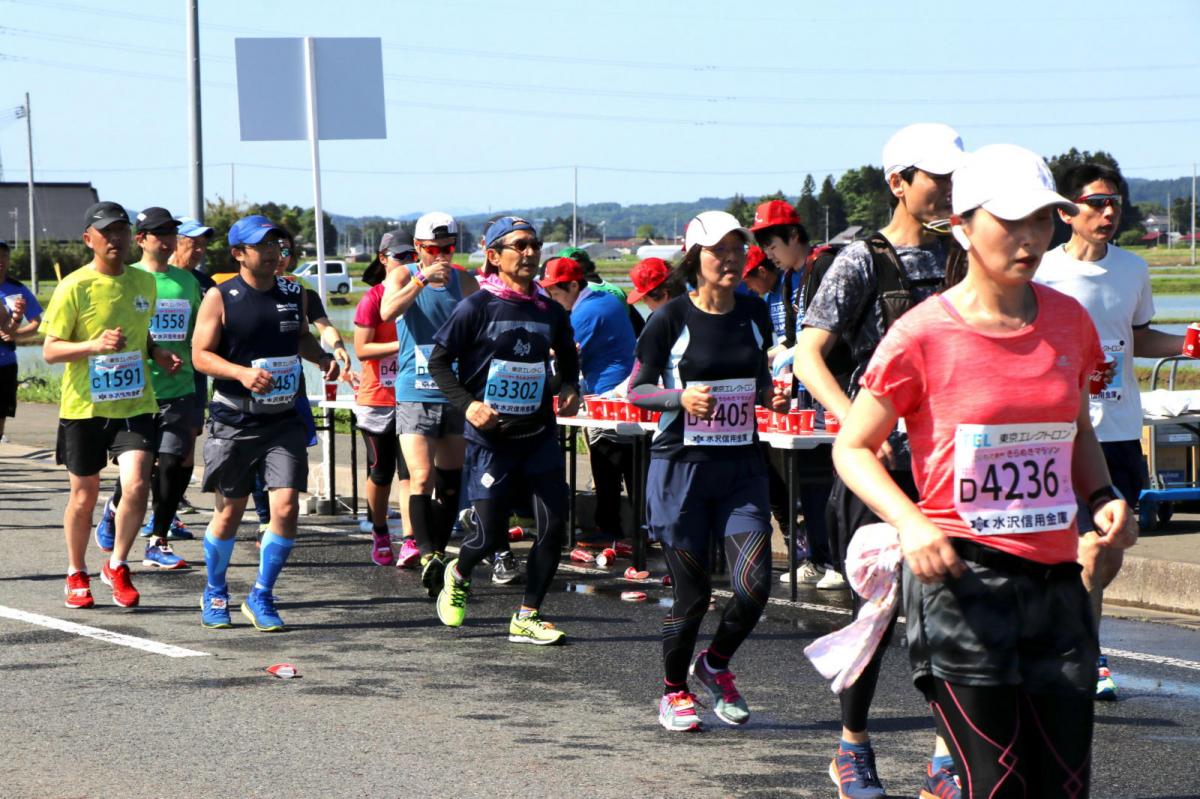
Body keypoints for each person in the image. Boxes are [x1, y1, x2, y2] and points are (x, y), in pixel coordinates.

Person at [832, 143, 1137, 797]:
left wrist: (1104, 493)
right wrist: (911, 523)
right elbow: (852, 447)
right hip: (962, 585)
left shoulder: (1069, 321)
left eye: (1042, 220)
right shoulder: (921, 335)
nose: (1029, 238)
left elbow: (1076, 428)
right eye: (1010, 221)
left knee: (1063, 784)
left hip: (1058, 584)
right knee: (994, 785)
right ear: (964, 226)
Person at [794, 122, 965, 797]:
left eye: (955, 176)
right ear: (899, 182)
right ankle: (852, 745)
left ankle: (946, 756)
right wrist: (854, 422)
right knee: (879, 609)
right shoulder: (862, 259)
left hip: (951, 464)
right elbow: (808, 356)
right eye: (936, 177)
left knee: (953, 608)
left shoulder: (962, 254)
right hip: (881, 468)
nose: (948, 188)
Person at [627, 211, 788, 732]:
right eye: (721, 251)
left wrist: (772, 395)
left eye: (740, 250)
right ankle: (674, 692)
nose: (734, 260)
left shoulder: (754, 311)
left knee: (754, 586)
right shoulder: (669, 318)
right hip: (682, 471)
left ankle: (714, 663)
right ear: (695, 257)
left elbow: (759, 376)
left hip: (742, 467)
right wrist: (679, 397)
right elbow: (637, 390)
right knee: (692, 596)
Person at [1035, 161, 1181, 702]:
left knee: (1115, 545)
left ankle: (1067, 625)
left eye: (1115, 201)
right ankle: (1088, 653)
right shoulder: (1043, 272)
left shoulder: (1133, 270)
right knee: (1089, 549)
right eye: (1097, 202)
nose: (1108, 211)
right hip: (1064, 433)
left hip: (1120, 430)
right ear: (1068, 210)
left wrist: (1189, 345)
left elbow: (1136, 336)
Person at [428, 216, 579, 644]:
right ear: (494, 256)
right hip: (492, 442)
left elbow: (567, 354)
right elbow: (438, 362)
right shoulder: (476, 307)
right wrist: (469, 404)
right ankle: (458, 571)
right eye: (520, 245)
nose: (531, 252)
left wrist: (570, 386)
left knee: (552, 529)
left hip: (539, 438)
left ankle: (527, 615)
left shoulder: (549, 309)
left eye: (535, 244)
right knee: (490, 535)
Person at [192, 214, 339, 631]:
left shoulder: (294, 293)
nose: (274, 251)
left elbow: (301, 338)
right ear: (240, 253)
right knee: (229, 512)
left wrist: (323, 360)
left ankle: (262, 594)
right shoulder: (221, 297)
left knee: (287, 506)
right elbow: (200, 355)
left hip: (283, 418)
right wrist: (240, 373)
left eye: (277, 244)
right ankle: (216, 589)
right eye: (263, 245)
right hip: (234, 419)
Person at [42, 201, 181, 609]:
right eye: (107, 232)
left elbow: (142, 337)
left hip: (135, 404)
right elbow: (50, 351)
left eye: (121, 230)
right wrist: (93, 345)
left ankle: (118, 564)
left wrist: (156, 353)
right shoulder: (74, 285)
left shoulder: (144, 283)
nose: (116, 238)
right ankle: (76, 571)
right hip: (84, 408)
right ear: (89, 240)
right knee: (84, 496)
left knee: (137, 482)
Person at [98, 207, 201, 570]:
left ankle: (158, 540)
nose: (168, 240)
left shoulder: (187, 281)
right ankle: (114, 508)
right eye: (160, 233)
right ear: (141, 239)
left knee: (173, 461)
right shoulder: (128, 278)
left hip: (181, 386)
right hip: (136, 392)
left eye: (172, 233)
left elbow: (197, 334)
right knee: (139, 472)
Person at [380, 212, 478, 590]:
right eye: (433, 250)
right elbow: (388, 311)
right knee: (421, 475)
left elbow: (483, 323)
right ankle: (423, 551)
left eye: (448, 249)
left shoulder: (465, 281)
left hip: (454, 391)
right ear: (419, 249)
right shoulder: (403, 275)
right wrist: (421, 279)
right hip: (414, 392)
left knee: (451, 480)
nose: (442, 257)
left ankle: (437, 553)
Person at [748, 201, 843, 590]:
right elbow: (789, 337)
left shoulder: (823, 266)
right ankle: (818, 558)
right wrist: (770, 358)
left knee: (836, 477)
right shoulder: (789, 278)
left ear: (792, 235)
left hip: (834, 383)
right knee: (809, 478)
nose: (769, 254)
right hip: (805, 388)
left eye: (772, 244)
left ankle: (839, 560)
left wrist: (795, 352)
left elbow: (834, 330)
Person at [248, 228, 354, 544]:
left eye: (284, 251)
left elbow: (322, 325)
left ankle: (279, 513)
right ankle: (265, 517)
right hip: (251, 387)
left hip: (289, 388)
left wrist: (335, 349)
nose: (277, 258)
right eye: (270, 249)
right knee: (255, 457)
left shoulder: (300, 291)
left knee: (287, 454)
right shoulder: (242, 289)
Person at [540, 256, 637, 549]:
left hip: (609, 394)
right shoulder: (602, 299)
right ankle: (635, 529)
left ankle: (611, 530)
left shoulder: (587, 311)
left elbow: (558, 354)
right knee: (629, 466)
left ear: (572, 285)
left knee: (607, 462)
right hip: (616, 389)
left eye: (555, 292)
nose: (552, 298)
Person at [353, 231, 416, 565]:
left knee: (411, 473)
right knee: (382, 471)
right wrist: (402, 347)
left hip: (413, 396)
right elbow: (362, 349)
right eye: (399, 257)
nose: (406, 264)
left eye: (411, 257)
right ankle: (379, 530)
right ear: (383, 258)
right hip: (377, 397)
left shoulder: (421, 295)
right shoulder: (373, 299)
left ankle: (409, 538)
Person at [170, 217, 216, 516]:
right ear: (174, 242)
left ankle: (173, 498)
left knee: (189, 438)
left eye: (203, 244)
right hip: (159, 374)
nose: (198, 250)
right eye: (192, 243)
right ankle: (161, 504)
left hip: (194, 374)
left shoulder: (206, 285)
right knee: (163, 446)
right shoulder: (153, 277)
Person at [0, 237, 43, 443]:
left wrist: (17, 334)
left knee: (1, 414)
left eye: (4, 255)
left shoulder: (18, 289)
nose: (1, 260)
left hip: (5, 361)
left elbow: (38, 323)